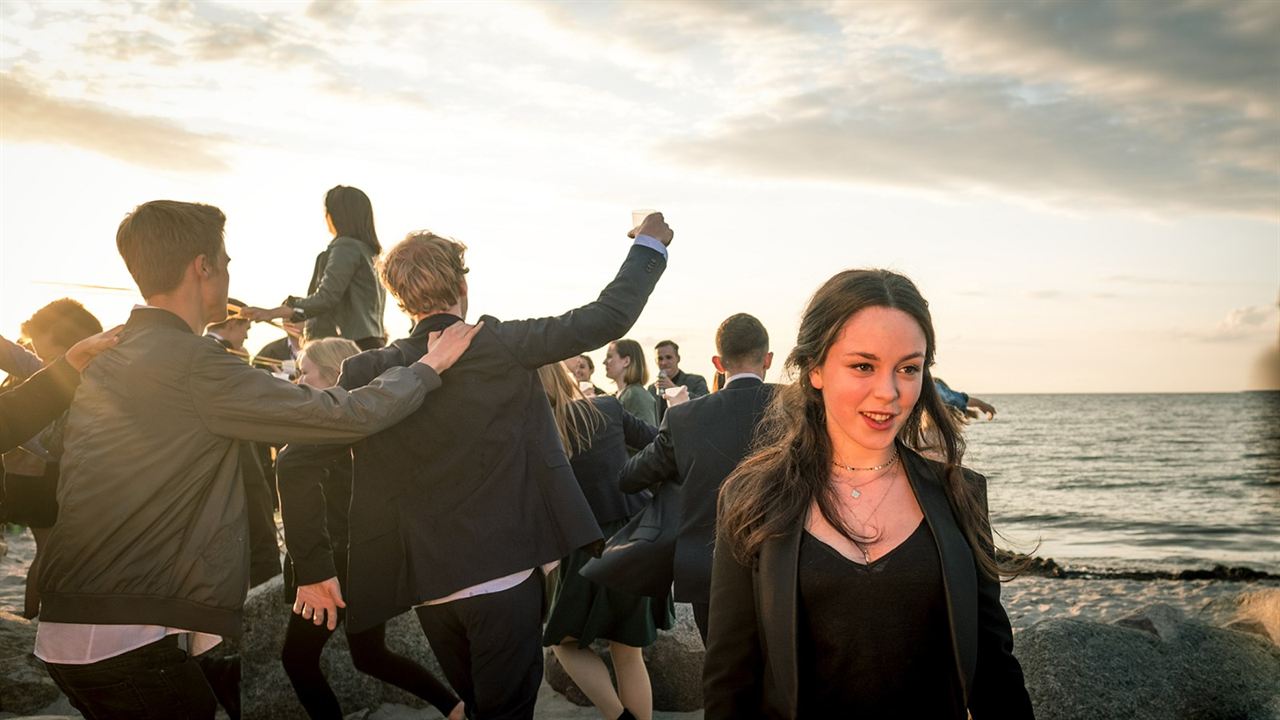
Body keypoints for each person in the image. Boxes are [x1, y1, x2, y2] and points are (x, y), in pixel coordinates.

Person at [34, 200, 480, 720]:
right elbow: (342, 414)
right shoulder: (197, 365)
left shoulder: (110, 355)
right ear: (203, 267)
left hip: (71, 622)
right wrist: (427, 368)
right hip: (126, 635)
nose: (227, 273)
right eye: (225, 261)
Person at [284, 212, 673, 720]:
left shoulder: (369, 369)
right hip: (506, 579)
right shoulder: (504, 344)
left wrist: (313, 569)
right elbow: (608, 317)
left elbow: (295, 463)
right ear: (463, 285)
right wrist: (650, 243)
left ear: (401, 300)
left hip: (428, 590)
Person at [703, 269, 1032, 719]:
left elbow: (995, 669)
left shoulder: (960, 494)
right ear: (815, 369)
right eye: (863, 366)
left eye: (908, 369)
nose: (889, 392)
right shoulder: (752, 497)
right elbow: (729, 680)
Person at [277, 337, 463, 720]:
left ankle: (454, 706)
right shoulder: (372, 423)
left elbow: (294, 470)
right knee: (370, 656)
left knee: (297, 660)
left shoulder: (329, 431)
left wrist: (314, 570)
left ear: (331, 375)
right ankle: (454, 707)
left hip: (334, 567)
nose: (298, 381)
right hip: (364, 559)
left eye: (304, 373)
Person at [619, 313, 775, 643]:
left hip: (711, 570)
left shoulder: (686, 417)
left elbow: (632, 477)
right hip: (785, 566)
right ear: (768, 359)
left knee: (724, 676)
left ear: (718, 363)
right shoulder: (796, 406)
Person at [537, 362, 670, 720]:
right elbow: (660, 444)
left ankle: (618, 717)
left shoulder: (534, 428)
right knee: (628, 652)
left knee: (563, 644)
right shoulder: (608, 407)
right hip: (637, 536)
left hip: (586, 545)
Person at [244, 185, 387, 350]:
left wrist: (272, 313)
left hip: (342, 346)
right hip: (371, 341)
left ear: (334, 215)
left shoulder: (345, 248)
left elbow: (326, 297)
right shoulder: (369, 253)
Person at [648, 340, 708, 421]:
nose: (664, 362)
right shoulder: (652, 389)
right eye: (660, 358)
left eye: (668, 357)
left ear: (678, 358)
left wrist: (675, 389)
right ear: (655, 361)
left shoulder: (696, 381)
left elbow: (705, 406)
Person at [604, 339, 658, 426]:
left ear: (626, 361)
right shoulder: (620, 395)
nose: (604, 362)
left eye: (610, 356)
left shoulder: (636, 395)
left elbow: (647, 435)